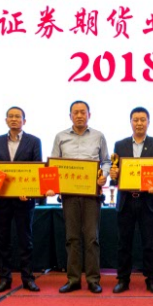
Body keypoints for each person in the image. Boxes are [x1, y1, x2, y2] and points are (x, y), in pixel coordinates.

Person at [51, 101, 111, 294]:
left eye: (82, 112)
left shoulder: (98, 136)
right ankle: (73, 279)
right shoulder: (60, 137)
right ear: (70, 116)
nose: (79, 115)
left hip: (91, 195)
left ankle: (93, 279)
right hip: (69, 195)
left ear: (89, 115)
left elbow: (106, 161)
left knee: (92, 238)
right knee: (72, 238)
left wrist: (104, 175)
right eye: (75, 112)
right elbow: (53, 165)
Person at [108, 107, 153, 295]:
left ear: (148, 122)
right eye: (135, 120)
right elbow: (116, 175)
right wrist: (114, 175)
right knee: (124, 243)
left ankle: (152, 280)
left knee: (150, 244)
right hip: (126, 201)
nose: (139, 123)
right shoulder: (120, 145)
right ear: (130, 122)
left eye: (143, 119)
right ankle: (123, 280)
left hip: (148, 200)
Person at [0, 106, 43, 293]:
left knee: (25, 240)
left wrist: (29, 191)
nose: (14, 119)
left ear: (24, 121)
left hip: (24, 199)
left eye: (17, 116)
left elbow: (37, 168)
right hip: (2, 199)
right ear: (6, 120)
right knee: (3, 240)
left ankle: (28, 278)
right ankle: (4, 278)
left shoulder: (34, 141)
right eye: (10, 116)